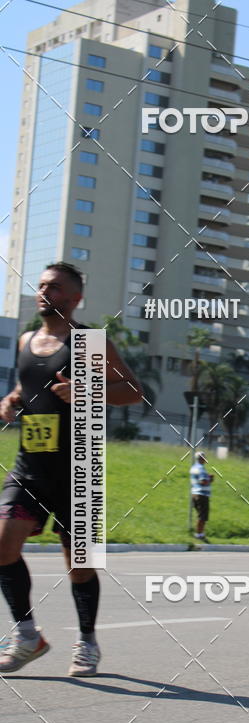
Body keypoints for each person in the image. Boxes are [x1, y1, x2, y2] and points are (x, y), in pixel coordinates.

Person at [0, 262, 142, 676]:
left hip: (79, 468)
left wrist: (86, 389)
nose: (46, 291)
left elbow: (134, 391)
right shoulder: (27, 340)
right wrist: (9, 402)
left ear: (76, 298)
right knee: (2, 545)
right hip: (29, 465)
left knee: (80, 564)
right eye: (42, 285)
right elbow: (25, 388)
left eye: (56, 287)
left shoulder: (89, 342)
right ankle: (28, 636)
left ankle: (87, 642)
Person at [190, 451, 213, 540]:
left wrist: (207, 478)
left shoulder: (194, 468)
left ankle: (199, 533)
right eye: (204, 458)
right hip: (202, 494)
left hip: (195, 493)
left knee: (200, 515)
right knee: (203, 516)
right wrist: (210, 479)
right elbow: (203, 481)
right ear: (201, 459)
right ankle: (199, 534)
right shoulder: (201, 468)